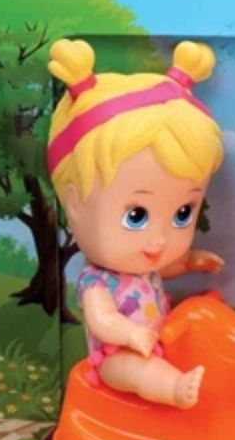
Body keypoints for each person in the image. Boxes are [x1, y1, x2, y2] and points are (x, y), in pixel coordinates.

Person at [47, 38, 224, 407]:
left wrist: (189, 262)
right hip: (116, 355)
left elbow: (162, 270)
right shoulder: (96, 281)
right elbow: (102, 320)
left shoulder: (144, 265)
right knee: (137, 370)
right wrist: (130, 335)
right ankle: (174, 390)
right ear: (74, 205)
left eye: (182, 214)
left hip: (158, 341)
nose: (158, 240)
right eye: (136, 216)